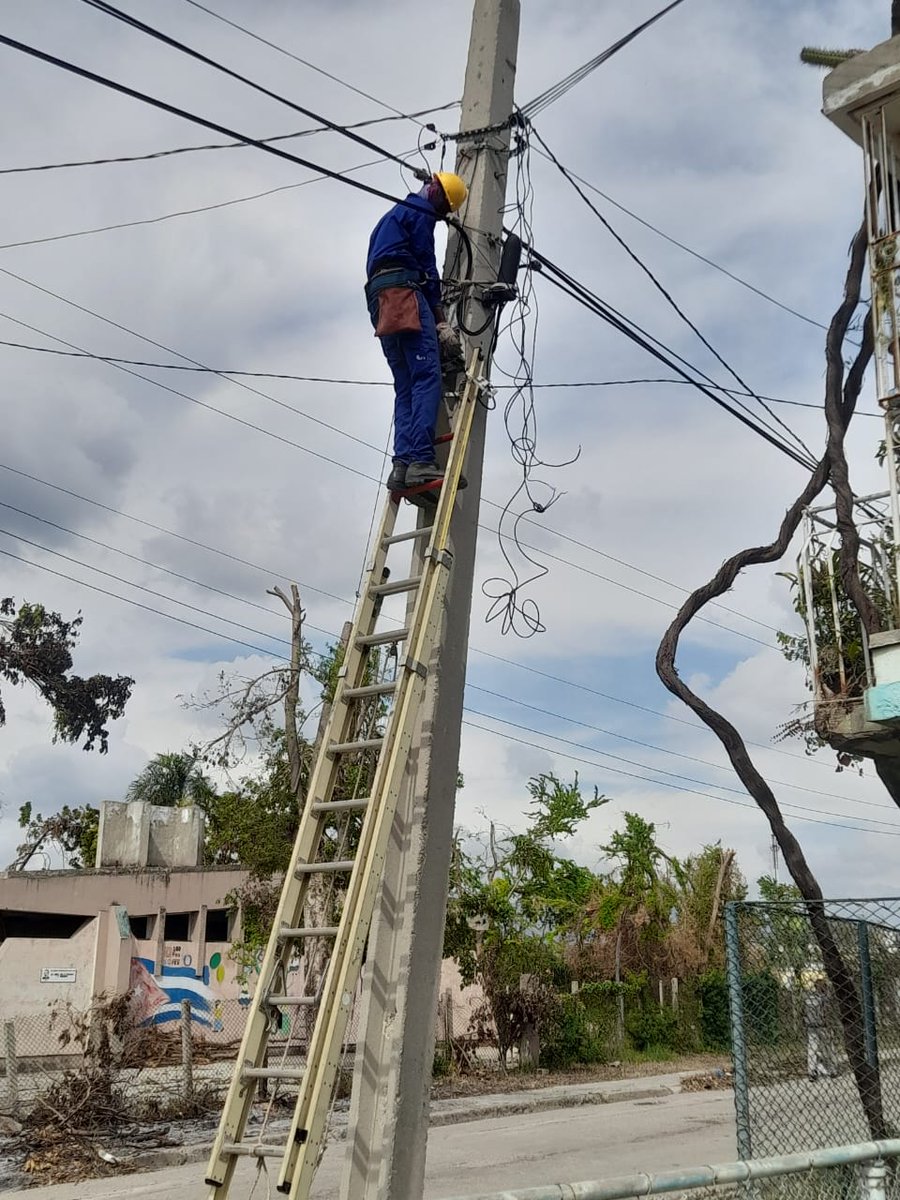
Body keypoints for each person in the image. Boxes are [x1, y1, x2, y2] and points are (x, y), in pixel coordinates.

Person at [366, 171, 468, 492]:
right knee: (426, 376)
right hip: (404, 292)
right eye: (443, 210)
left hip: (378, 300)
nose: (440, 217)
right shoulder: (421, 212)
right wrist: (440, 321)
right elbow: (427, 266)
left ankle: (402, 465)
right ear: (437, 193)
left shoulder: (390, 217)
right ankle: (422, 461)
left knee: (406, 383)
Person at [804, 977, 835, 1080]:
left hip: (810, 1025)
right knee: (827, 1047)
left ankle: (812, 1071)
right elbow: (827, 1012)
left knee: (812, 1048)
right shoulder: (825, 998)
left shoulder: (809, 997)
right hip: (822, 1025)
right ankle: (831, 1070)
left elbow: (803, 1012)